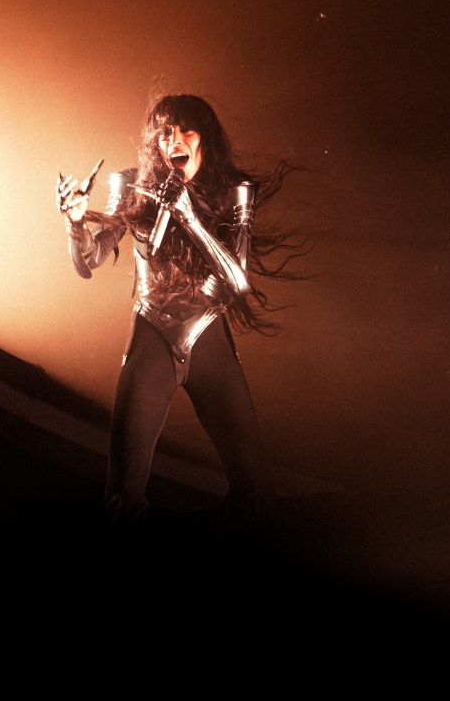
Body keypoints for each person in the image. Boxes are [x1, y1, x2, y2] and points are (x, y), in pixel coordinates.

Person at [56, 93, 303, 534]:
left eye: (186, 129)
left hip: (208, 336)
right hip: (151, 331)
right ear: (155, 143)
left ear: (205, 138)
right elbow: (89, 262)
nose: (175, 139)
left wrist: (187, 215)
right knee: (121, 501)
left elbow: (238, 282)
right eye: (165, 132)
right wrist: (75, 223)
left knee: (254, 494)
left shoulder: (234, 191)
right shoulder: (131, 185)